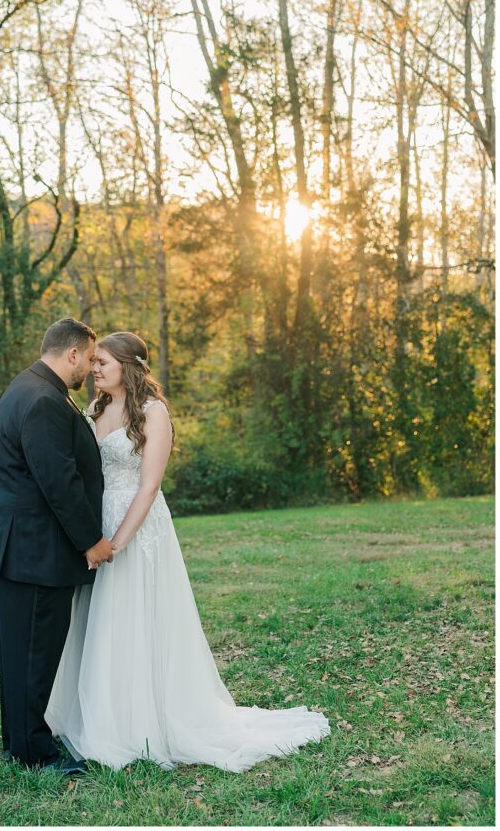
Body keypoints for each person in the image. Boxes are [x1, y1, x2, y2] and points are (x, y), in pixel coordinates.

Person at [45, 331, 331, 772]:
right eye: (93, 361)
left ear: (129, 365)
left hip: (138, 529)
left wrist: (118, 541)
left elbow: (150, 485)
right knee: (99, 618)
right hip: (98, 525)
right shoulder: (96, 408)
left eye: (103, 361)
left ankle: (143, 719)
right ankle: (101, 711)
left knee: (135, 616)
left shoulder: (153, 413)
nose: (94, 368)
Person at [0, 317, 114, 773]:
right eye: (89, 358)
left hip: (14, 546)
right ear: (71, 354)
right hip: (34, 550)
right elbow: (59, 482)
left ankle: (18, 739)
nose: (90, 368)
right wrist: (91, 541)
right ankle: (34, 752)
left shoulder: (27, 386)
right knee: (34, 650)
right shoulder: (45, 401)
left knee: (18, 649)